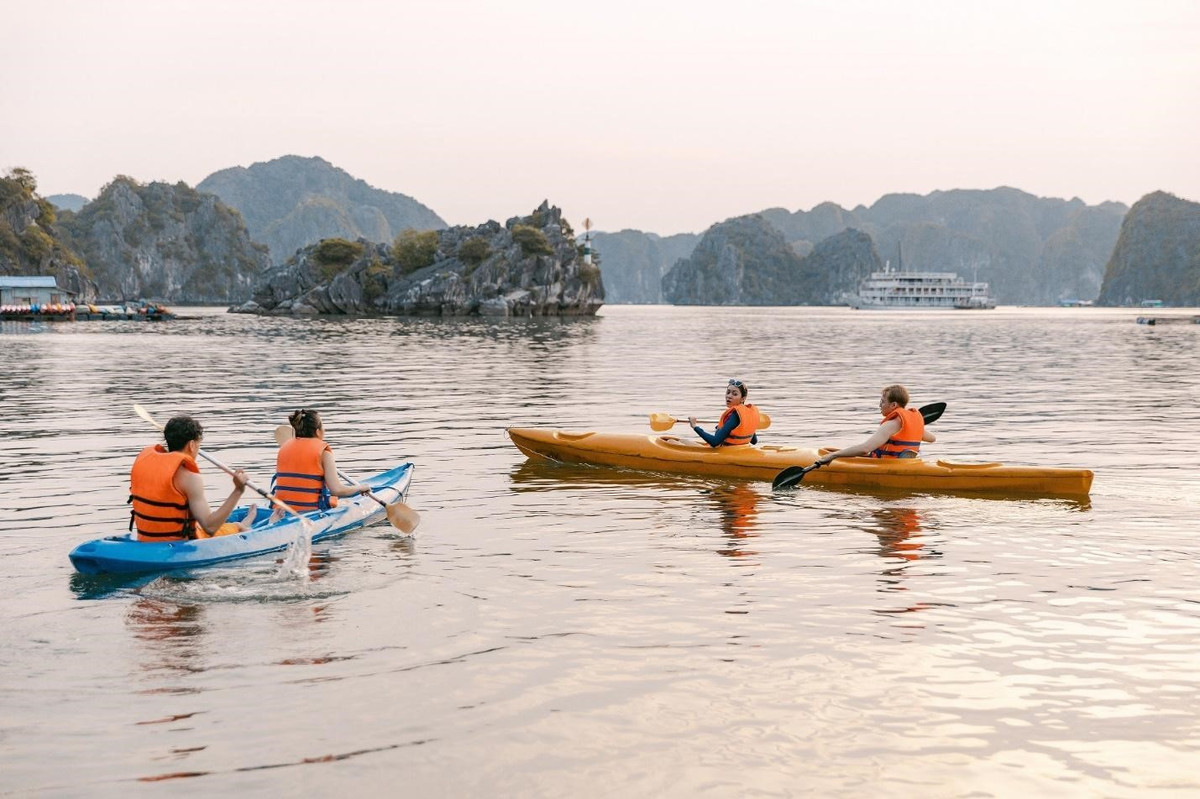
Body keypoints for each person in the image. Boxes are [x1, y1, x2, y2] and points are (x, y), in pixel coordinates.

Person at [128, 415, 250, 542]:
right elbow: (210, 527)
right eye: (198, 445)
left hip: (145, 539)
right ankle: (244, 525)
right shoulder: (190, 478)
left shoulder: (146, 464)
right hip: (178, 546)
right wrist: (238, 490)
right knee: (239, 527)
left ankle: (248, 519)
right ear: (192, 445)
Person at [262, 409, 369, 523]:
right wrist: (361, 487)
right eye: (323, 426)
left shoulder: (284, 448)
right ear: (318, 431)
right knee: (341, 502)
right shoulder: (324, 453)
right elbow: (337, 490)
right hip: (310, 514)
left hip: (280, 512)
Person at [815, 384, 936, 466]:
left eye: (882, 402)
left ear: (893, 405)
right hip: (907, 465)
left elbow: (865, 449)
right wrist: (916, 423)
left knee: (836, 453)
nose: (879, 405)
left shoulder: (890, 425)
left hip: (886, 467)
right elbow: (932, 439)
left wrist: (833, 456)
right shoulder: (909, 424)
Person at [688, 379, 760, 447]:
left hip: (727, 451)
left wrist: (695, 426)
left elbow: (715, 442)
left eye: (734, 394)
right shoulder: (746, 415)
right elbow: (754, 441)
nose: (729, 396)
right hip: (741, 450)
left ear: (743, 399)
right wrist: (723, 429)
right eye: (728, 392)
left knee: (683, 441)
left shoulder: (735, 416)